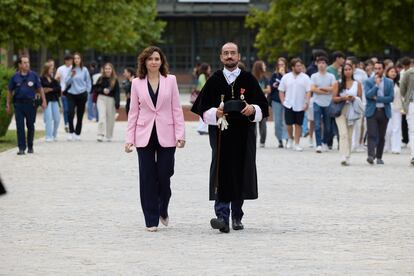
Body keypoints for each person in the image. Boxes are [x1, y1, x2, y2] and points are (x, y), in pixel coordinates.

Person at [191, 42, 268, 233]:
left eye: (233, 53)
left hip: (244, 134)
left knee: (240, 171)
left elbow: (262, 107)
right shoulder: (214, 80)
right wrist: (214, 112)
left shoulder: (249, 79)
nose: (229, 56)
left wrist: (253, 109)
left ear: (239, 56)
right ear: (221, 57)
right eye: (225, 53)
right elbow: (201, 107)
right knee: (221, 171)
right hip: (221, 135)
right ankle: (222, 216)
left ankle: (237, 216)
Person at [125, 46, 185, 232]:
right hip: (144, 135)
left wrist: (180, 135)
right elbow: (133, 112)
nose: (153, 62)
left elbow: (177, 108)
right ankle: (151, 218)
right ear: (144, 62)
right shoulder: (136, 83)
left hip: (167, 133)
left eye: (157, 59)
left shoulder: (171, 81)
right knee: (147, 178)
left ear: (161, 61)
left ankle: (163, 207)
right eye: (150, 59)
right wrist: (129, 138)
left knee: (165, 174)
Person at [6, 56, 47, 155]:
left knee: (30, 126)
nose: (27, 64)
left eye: (27, 62)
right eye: (24, 62)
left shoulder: (33, 75)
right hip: (18, 105)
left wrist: (44, 100)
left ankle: (30, 146)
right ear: (20, 65)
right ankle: (21, 148)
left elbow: (40, 88)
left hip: (30, 105)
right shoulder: (15, 77)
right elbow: (9, 90)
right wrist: (8, 104)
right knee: (20, 126)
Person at [332, 63, 363, 165]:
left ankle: (348, 155)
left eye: (349, 69)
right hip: (340, 110)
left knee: (349, 134)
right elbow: (334, 98)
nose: (347, 71)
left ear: (352, 70)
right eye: (345, 69)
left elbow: (360, 98)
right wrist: (343, 98)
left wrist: (354, 98)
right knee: (343, 134)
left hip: (352, 111)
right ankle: (343, 156)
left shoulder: (357, 84)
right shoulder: (338, 83)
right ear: (342, 71)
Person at [364, 61, 394, 165]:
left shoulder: (389, 82)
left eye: (379, 68)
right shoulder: (368, 81)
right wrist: (376, 86)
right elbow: (368, 96)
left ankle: (379, 157)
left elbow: (391, 98)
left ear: (383, 69)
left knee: (381, 136)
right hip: (372, 111)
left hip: (384, 112)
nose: (377, 71)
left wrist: (377, 98)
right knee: (371, 134)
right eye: (375, 68)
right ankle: (371, 155)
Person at [279, 58, 311, 151]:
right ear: (292, 67)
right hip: (289, 104)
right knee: (289, 124)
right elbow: (281, 90)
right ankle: (290, 138)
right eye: (297, 66)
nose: (299, 67)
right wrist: (283, 101)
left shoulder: (305, 77)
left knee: (298, 124)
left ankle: (297, 143)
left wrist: (307, 102)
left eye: (300, 65)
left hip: (300, 105)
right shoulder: (286, 77)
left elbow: (308, 91)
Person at [310, 56, 336, 153]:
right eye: (319, 63)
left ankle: (325, 142)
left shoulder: (331, 76)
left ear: (326, 65)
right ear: (317, 64)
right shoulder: (314, 76)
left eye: (323, 63)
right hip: (317, 102)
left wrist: (320, 88)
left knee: (328, 126)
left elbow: (333, 88)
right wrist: (326, 90)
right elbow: (312, 89)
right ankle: (318, 144)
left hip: (328, 103)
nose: (321, 65)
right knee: (317, 124)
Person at [65, 52, 92, 141]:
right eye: (75, 58)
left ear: (80, 60)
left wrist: (87, 92)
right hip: (71, 94)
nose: (76, 60)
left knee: (80, 115)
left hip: (82, 94)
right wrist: (71, 76)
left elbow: (88, 82)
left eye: (78, 58)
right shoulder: (71, 69)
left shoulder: (84, 70)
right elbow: (67, 82)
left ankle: (77, 133)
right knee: (70, 113)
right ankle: (71, 131)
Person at [347, 56, 368, 152]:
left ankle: (357, 144)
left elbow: (367, 86)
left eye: (349, 63)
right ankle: (350, 144)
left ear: (354, 65)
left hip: (360, 100)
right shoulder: (346, 72)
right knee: (349, 122)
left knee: (359, 123)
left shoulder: (362, 73)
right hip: (348, 100)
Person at [95, 63, 120, 142]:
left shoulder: (115, 80)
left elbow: (117, 92)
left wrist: (117, 103)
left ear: (112, 70)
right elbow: (95, 88)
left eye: (109, 69)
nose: (107, 70)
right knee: (102, 117)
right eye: (106, 69)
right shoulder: (101, 78)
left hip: (111, 100)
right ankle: (100, 134)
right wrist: (102, 90)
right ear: (104, 70)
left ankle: (109, 135)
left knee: (110, 118)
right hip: (101, 99)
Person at [269, 57, 288, 148]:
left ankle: (287, 138)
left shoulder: (288, 75)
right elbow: (271, 87)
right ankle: (280, 139)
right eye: (279, 64)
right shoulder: (274, 75)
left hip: (287, 100)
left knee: (286, 121)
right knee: (277, 121)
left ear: (285, 65)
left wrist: (284, 75)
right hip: (276, 100)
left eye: (282, 64)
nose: (281, 66)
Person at [40, 62, 61, 142]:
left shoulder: (53, 80)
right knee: (48, 118)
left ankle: (54, 134)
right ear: (46, 69)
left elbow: (58, 89)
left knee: (57, 118)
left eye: (53, 69)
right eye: (51, 69)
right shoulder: (41, 78)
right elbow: (41, 89)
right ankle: (48, 136)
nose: (52, 71)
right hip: (46, 100)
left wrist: (50, 89)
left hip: (55, 100)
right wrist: (49, 89)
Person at [252, 60, 271, 147]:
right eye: (263, 65)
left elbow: (269, 89)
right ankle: (253, 140)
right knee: (253, 122)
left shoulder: (265, 78)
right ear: (259, 67)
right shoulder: (252, 78)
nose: (265, 67)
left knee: (263, 123)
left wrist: (258, 90)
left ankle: (262, 141)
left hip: (263, 103)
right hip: (253, 103)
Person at [384, 66, 402, 154]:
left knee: (397, 128)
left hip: (397, 108)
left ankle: (396, 148)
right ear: (387, 73)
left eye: (395, 72)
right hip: (386, 107)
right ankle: (387, 146)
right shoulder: (384, 82)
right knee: (387, 129)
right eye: (391, 71)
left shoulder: (399, 84)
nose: (393, 73)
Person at [400, 61, 414, 166]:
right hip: (412, 104)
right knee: (412, 130)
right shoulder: (408, 73)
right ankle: (413, 155)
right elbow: (402, 90)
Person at [55, 54, 73, 133]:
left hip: (73, 91)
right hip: (63, 91)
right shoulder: (60, 68)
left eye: (70, 60)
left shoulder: (74, 68)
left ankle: (70, 122)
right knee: (65, 109)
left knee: (71, 109)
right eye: (68, 60)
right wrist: (57, 78)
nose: (69, 62)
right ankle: (66, 124)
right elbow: (56, 79)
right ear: (65, 61)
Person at [196, 63, 211, 135]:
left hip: (203, 96)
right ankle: (201, 128)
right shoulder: (202, 76)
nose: (210, 70)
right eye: (209, 68)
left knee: (204, 112)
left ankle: (201, 128)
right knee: (204, 112)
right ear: (205, 69)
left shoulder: (204, 76)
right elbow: (204, 86)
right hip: (202, 97)